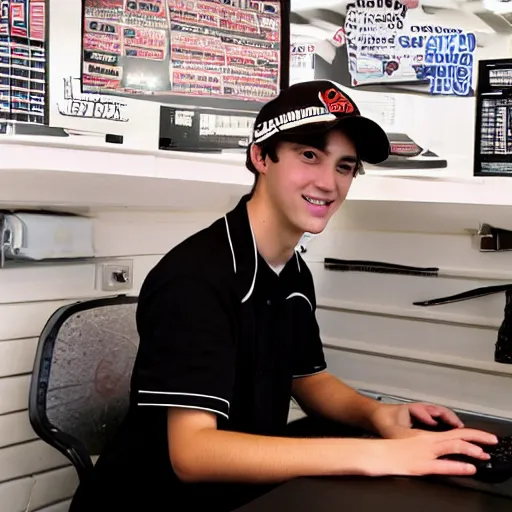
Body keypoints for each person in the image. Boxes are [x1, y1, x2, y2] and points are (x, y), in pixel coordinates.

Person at [69, 80, 498, 512]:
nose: (328, 183)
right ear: (261, 157)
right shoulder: (195, 278)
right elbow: (193, 454)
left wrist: (379, 417)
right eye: (309, 156)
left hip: (245, 492)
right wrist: (376, 455)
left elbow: (307, 378)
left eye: (345, 166)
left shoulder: (292, 271)